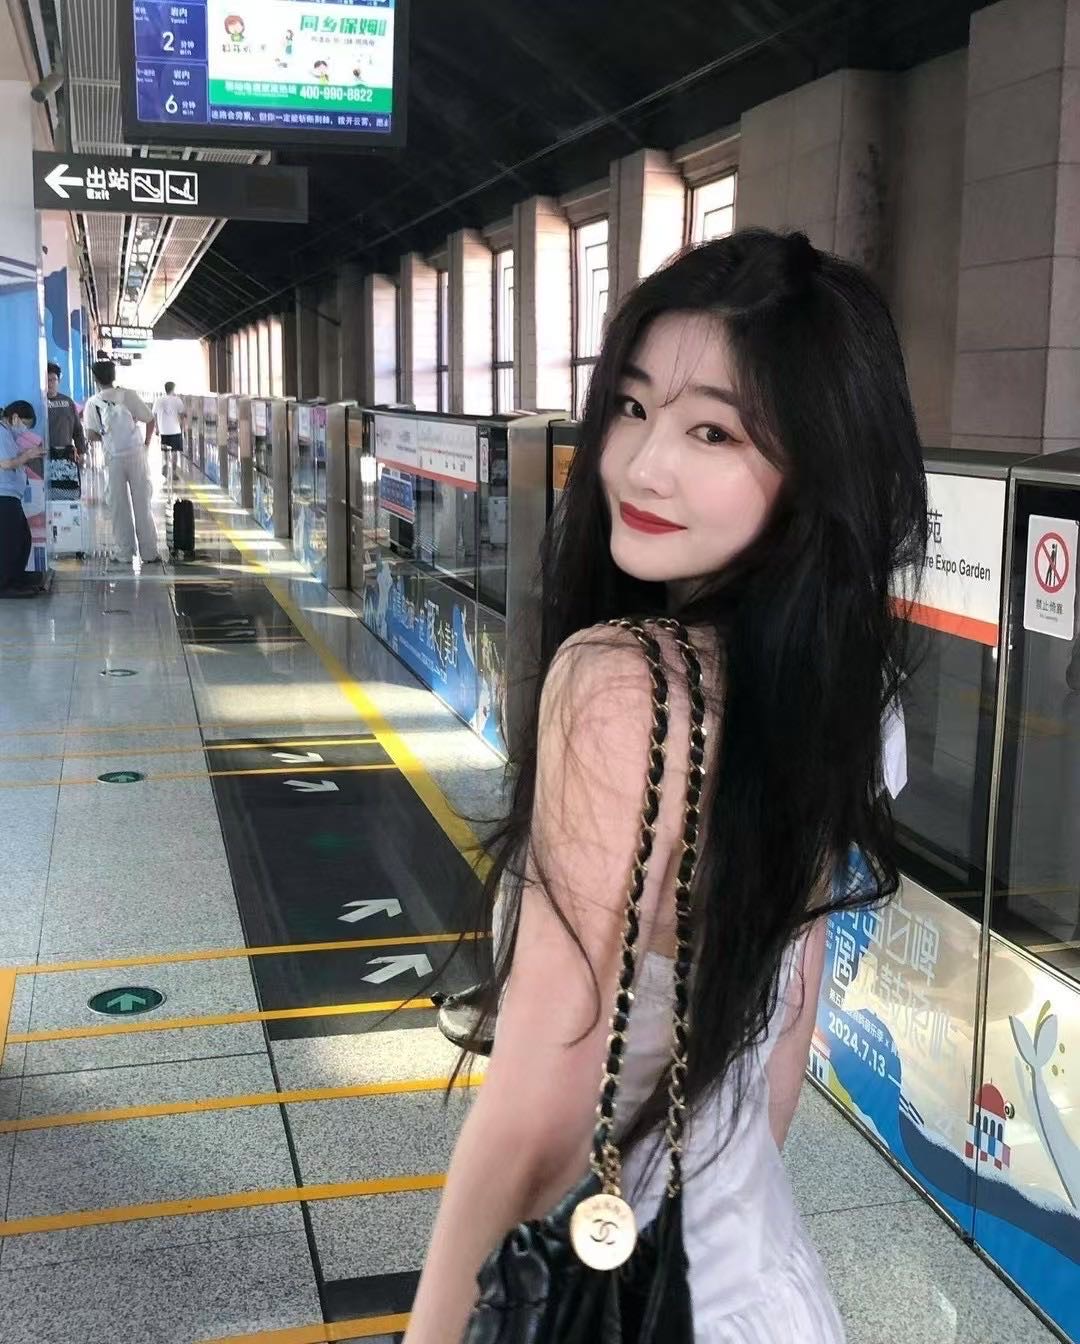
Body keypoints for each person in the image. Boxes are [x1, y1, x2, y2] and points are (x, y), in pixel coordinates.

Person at [404, 230, 927, 1344]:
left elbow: (536, 1120)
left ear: (816, 467)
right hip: (758, 1282)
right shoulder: (843, 687)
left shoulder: (622, 682)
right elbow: (782, 1046)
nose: (642, 466)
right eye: (633, 408)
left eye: (713, 432)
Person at [84, 360, 162, 569]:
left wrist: (106, 436)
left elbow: (90, 435)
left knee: (119, 507)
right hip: (136, 455)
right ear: (114, 376)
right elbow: (150, 419)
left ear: (95, 379)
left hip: (114, 459)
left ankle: (124, 552)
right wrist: (146, 444)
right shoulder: (128, 395)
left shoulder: (93, 403)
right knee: (142, 503)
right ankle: (149, 552)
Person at [0, 400, 45, 594]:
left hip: (11, 494)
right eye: (24, 425)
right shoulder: (1, 432)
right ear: (15, 417)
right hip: (3, 494)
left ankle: (17, 576)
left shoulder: (7, 434)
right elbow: (5, 463)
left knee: (22, 538)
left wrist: (28, 454)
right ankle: (5, 583)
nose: (23, 430)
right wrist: (27, 456)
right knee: (9, 541)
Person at [45, 362, 87, 498]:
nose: (50, 383)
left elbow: (77, 429)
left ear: (58, 381)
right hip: (43, 456)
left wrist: (81, 451)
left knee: (66, 493)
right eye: (47, 380)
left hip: (65, 456)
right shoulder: (38, 402)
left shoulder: (67, 402)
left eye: (53, 379)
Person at [153, 381, 186, 482]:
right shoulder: (177, 400)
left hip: (163, 431)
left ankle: (166, 466)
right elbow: (182, 414)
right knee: (175, 452)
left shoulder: (158, 400)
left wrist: (157, 428)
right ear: (173, 389)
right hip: (175, 430)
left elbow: (154, 414)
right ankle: (174, 472)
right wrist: (183, 427)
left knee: (165, 451)